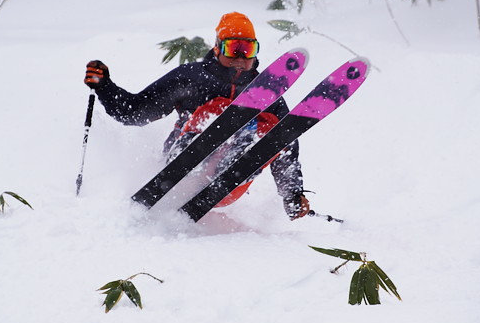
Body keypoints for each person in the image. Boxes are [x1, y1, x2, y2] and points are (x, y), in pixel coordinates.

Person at [83, 12, 310, 219]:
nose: (240, 57)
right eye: (233, 48)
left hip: (229, 183)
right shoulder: (191, 78)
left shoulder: (265, 92)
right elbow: (135, 112)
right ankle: (195, 162)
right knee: (219, 108)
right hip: (180, 166)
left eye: (248, 50)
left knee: (269, 126)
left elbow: (284, 142)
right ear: (217, 47)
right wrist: (105, 86)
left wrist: (292, 195)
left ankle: (236, 165)